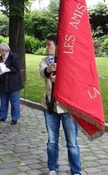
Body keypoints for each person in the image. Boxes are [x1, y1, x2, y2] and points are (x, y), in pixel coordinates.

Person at [39, 34, 82, 175]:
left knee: (72, 142)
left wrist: (62, 77)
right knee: (52, 141)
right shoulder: (45, 60)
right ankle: (52, 168)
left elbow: (77, 77)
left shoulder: (70, 60)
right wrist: (50, 70)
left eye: (49, 44)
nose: (47, 47)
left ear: (58, 46)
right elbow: (43, 71)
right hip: (50, 107)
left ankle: (76, 170)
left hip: (67, 106)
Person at [0, 42, 23, 125]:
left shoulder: (14, 56)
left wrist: (4, 67)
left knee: (14, 102)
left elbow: (16, 68)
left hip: (13, 83)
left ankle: (15, 118)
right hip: (3, 82)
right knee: (3, 101)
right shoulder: (1, 57)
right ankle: (2, 116)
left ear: (3, 50)